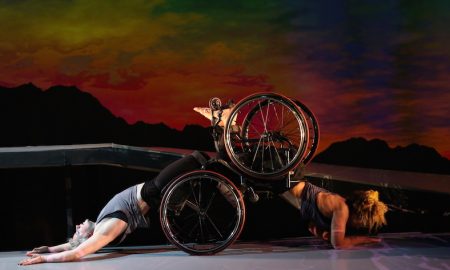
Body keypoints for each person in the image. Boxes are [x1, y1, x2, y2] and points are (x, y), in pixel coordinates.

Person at [19, 150, 209, 266]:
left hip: (150, 192)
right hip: (151, 193)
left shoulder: (100, 225)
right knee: (196, 158)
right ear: (87, 237)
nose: (77, 227)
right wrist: (44, 261)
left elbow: (71, 245)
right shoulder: (108, 229)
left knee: (197, 166)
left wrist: (47, 250)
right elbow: (76, 252)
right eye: (78, 232)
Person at [281, 181, 388, 249]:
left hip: (290, 190)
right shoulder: (343, 209)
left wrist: (322, 234)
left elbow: (311, 226)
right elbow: (338, 244)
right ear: (359, 214)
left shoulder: (341, 211)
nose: (359, 226)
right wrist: (365, 240)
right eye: (362, 223)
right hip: (290, 186)